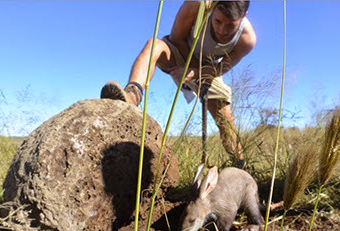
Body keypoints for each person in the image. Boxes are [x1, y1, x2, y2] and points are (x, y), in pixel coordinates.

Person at [100, 1, 256, 168]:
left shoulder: (247, 39)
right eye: (217, 21)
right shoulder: (197, 5)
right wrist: (186, 66)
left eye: (230, 25)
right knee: (155, 45)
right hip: (179, 53)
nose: (221, 30)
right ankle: (132, 95)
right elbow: (176, 37)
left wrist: (195, 72)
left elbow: (220, 68)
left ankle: (241, 166)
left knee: (225, 119)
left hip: (207, 70)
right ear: (213, 7)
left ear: (244, 16)